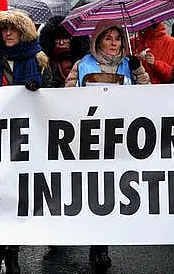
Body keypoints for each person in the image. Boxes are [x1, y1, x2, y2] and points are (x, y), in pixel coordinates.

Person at [63, 20, 149, 274]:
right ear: (97, 41)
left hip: (120, 140)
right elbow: (66, 97)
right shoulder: (82, 66)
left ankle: (103, 247)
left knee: (111, 193)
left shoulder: (130, 66)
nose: (114, 43)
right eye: (108, 38)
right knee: (93, 193)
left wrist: (140, 72)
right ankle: (95, 243)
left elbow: (151, 97)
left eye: (117, 38)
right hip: (89, 140)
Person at [0, 10, 51, 274]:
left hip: (27, 139)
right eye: (3, 29)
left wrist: (39, 86)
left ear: (23, 32)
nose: (8, 34)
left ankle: (12, 254)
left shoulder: (39, 60)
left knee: (19, 198)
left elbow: (52, 97)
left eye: (13, 29)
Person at [38, 15, 88, 88]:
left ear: (73, 39)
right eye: (57, 39)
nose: (61, 42)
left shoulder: (82, 60)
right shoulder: (45, 59)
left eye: (66, 38)